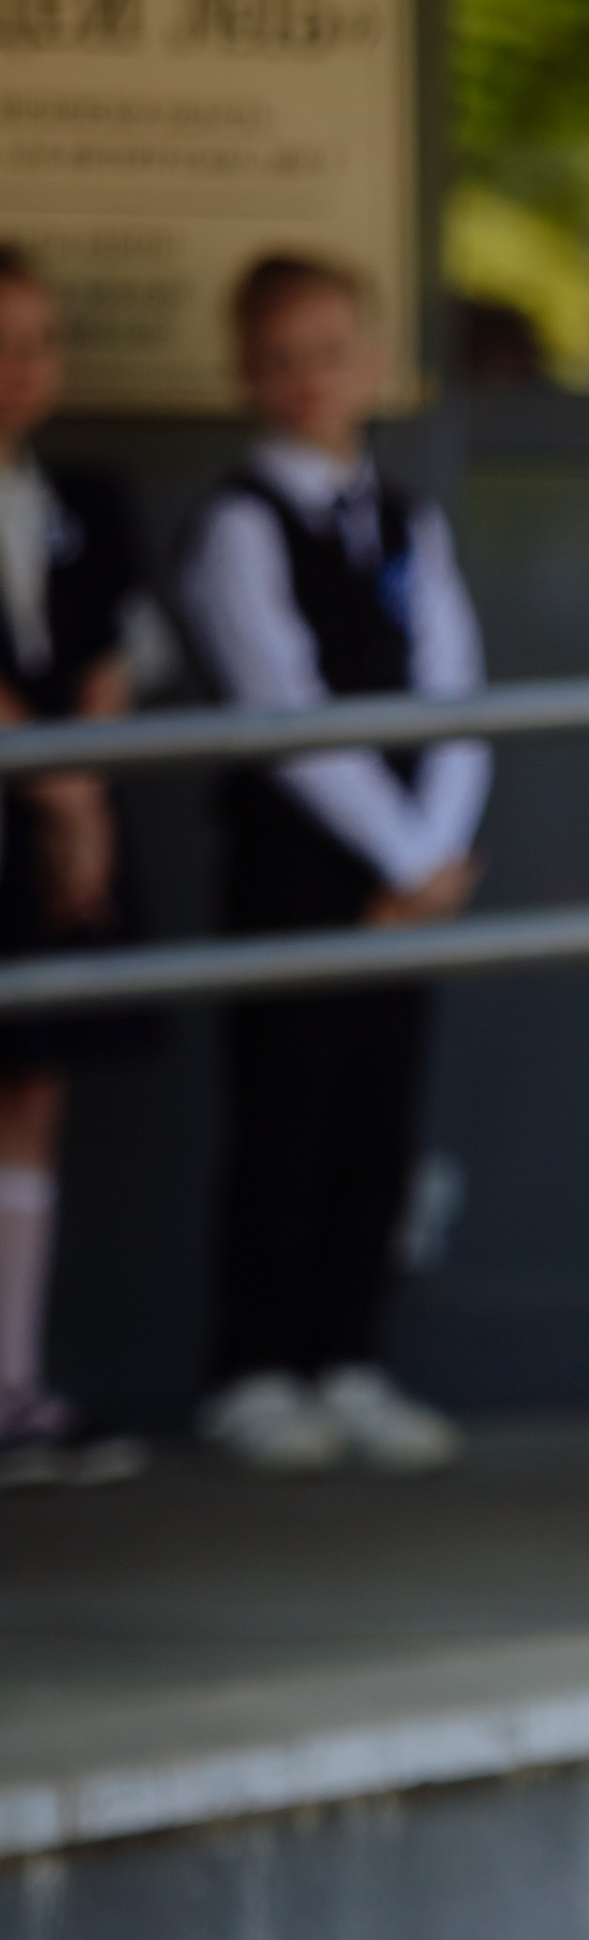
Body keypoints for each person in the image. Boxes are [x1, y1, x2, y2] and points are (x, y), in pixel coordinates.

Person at [176, 254, 490, 1476]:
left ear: (372, 363)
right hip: (302, 861)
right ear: (246, 374)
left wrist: (440, 850)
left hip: (412, 872)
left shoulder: (410, 518)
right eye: (282, 359)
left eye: (330, 353)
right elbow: (280, 707)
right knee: (288, 1106)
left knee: (378, 1108)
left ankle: (350, 1356)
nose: (310, 380)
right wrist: (406, 850)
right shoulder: (235, 527)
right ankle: (256, 1367)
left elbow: (456, 692)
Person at [0, 245, 149, 1488]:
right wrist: (65, 802)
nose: (19, 369)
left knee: (34, 1088)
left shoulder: (86, 498)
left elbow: (105, 653)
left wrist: (80, 812)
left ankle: (18, 1384)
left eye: (39, 342)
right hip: (37, 817)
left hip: (53, 841)